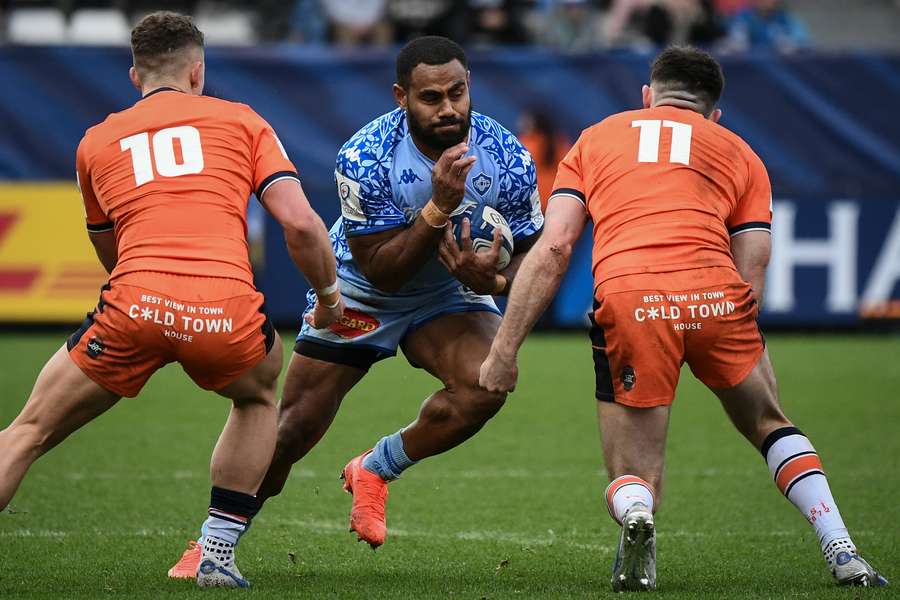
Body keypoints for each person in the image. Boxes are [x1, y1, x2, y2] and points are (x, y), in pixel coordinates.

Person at [478, 46, 887, 591]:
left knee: (633, 472)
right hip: (716, 294)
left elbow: (555, 248)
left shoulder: (596, 138)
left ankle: (638, 517)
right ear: (714, 113)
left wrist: (504, 350)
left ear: (647, 97)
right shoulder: (740, 152)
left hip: (631, 298)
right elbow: (753, 263)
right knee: (770, 423)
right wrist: (725, 333)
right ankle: (841, 545)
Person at [167, 36, 542, 576]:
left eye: (458, 93)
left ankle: (374, 467)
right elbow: (382, 268)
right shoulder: (365, 155)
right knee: (292, 428)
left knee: (487, 383)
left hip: (447, 292)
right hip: (362, 290)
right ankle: (214, 541)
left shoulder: (506, 155)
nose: (448, 108)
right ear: (401, 97)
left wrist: (498, 279)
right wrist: (438, 206)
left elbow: (533, 246)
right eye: (431, 97)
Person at [0, 11, 343, 589]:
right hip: (224, 310)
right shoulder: (242, 121)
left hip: (134, 302)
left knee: (26, 432)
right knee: (259, 394)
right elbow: (303, 226)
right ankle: (216, 552)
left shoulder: (95, 142)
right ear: (198, 70)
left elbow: (108, 248)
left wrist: (146, 305)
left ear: (135, 76)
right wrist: (330, 298)